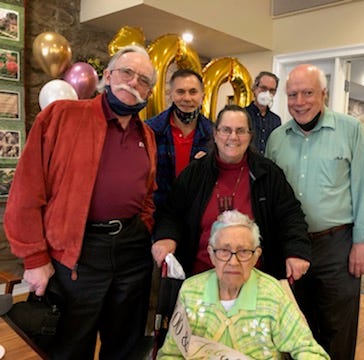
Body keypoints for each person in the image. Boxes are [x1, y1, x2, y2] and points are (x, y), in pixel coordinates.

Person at [4, 45, 157, 359]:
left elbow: (147, 193)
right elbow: (26, 191)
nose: (133, 82)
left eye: (143, 80)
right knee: (71, 347)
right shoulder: (62, 116)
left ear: (149, 92)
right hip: (78, 254)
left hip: (131, 254)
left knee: (125, 347)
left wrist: (144, 226)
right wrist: (34, 259)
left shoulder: (148, 135)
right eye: (127, 72)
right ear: (107, 76)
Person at [266, 64, 364, 360]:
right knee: (295, 324)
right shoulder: (277, 139)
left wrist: (362, 242)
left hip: (338, 246)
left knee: (337, 326)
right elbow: (269, 195)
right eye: (293, 94)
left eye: (308, 93)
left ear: (324, 94)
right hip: (291, 246)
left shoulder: (351, 130)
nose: (299, 101)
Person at [151, 104, 311, 281]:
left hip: (254, 278)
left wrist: (297, 250)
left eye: (241, 131)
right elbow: (171, 214)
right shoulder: (194, 173)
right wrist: (166, 237)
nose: (233, 137)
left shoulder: (269, 174)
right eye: (226, 130)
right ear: (215, 133)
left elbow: (290, 215)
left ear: (250, 136)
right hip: (200, 276)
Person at [157, 210, 330, 359]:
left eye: (244, 252)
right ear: (211, 253)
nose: (233, 262)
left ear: (256, 256)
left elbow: (308, 351)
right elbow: (171, 354)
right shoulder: (191, 291)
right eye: (224, 251)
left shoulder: (271, 294)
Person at [145, 68, 213, 210]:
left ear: (203, 96)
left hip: (198, 214)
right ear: (170, 95)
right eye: (180, 92)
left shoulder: (215, 135)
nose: (187, 98)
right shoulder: (150, 131)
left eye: (193, 92)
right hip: (158, 215)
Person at [245, 71, 282, 155]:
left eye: (272, 90)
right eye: (263, 88)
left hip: (266, 166)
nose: (267, 93)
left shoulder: (276, 120)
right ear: (254, 88)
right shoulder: (242, 115)